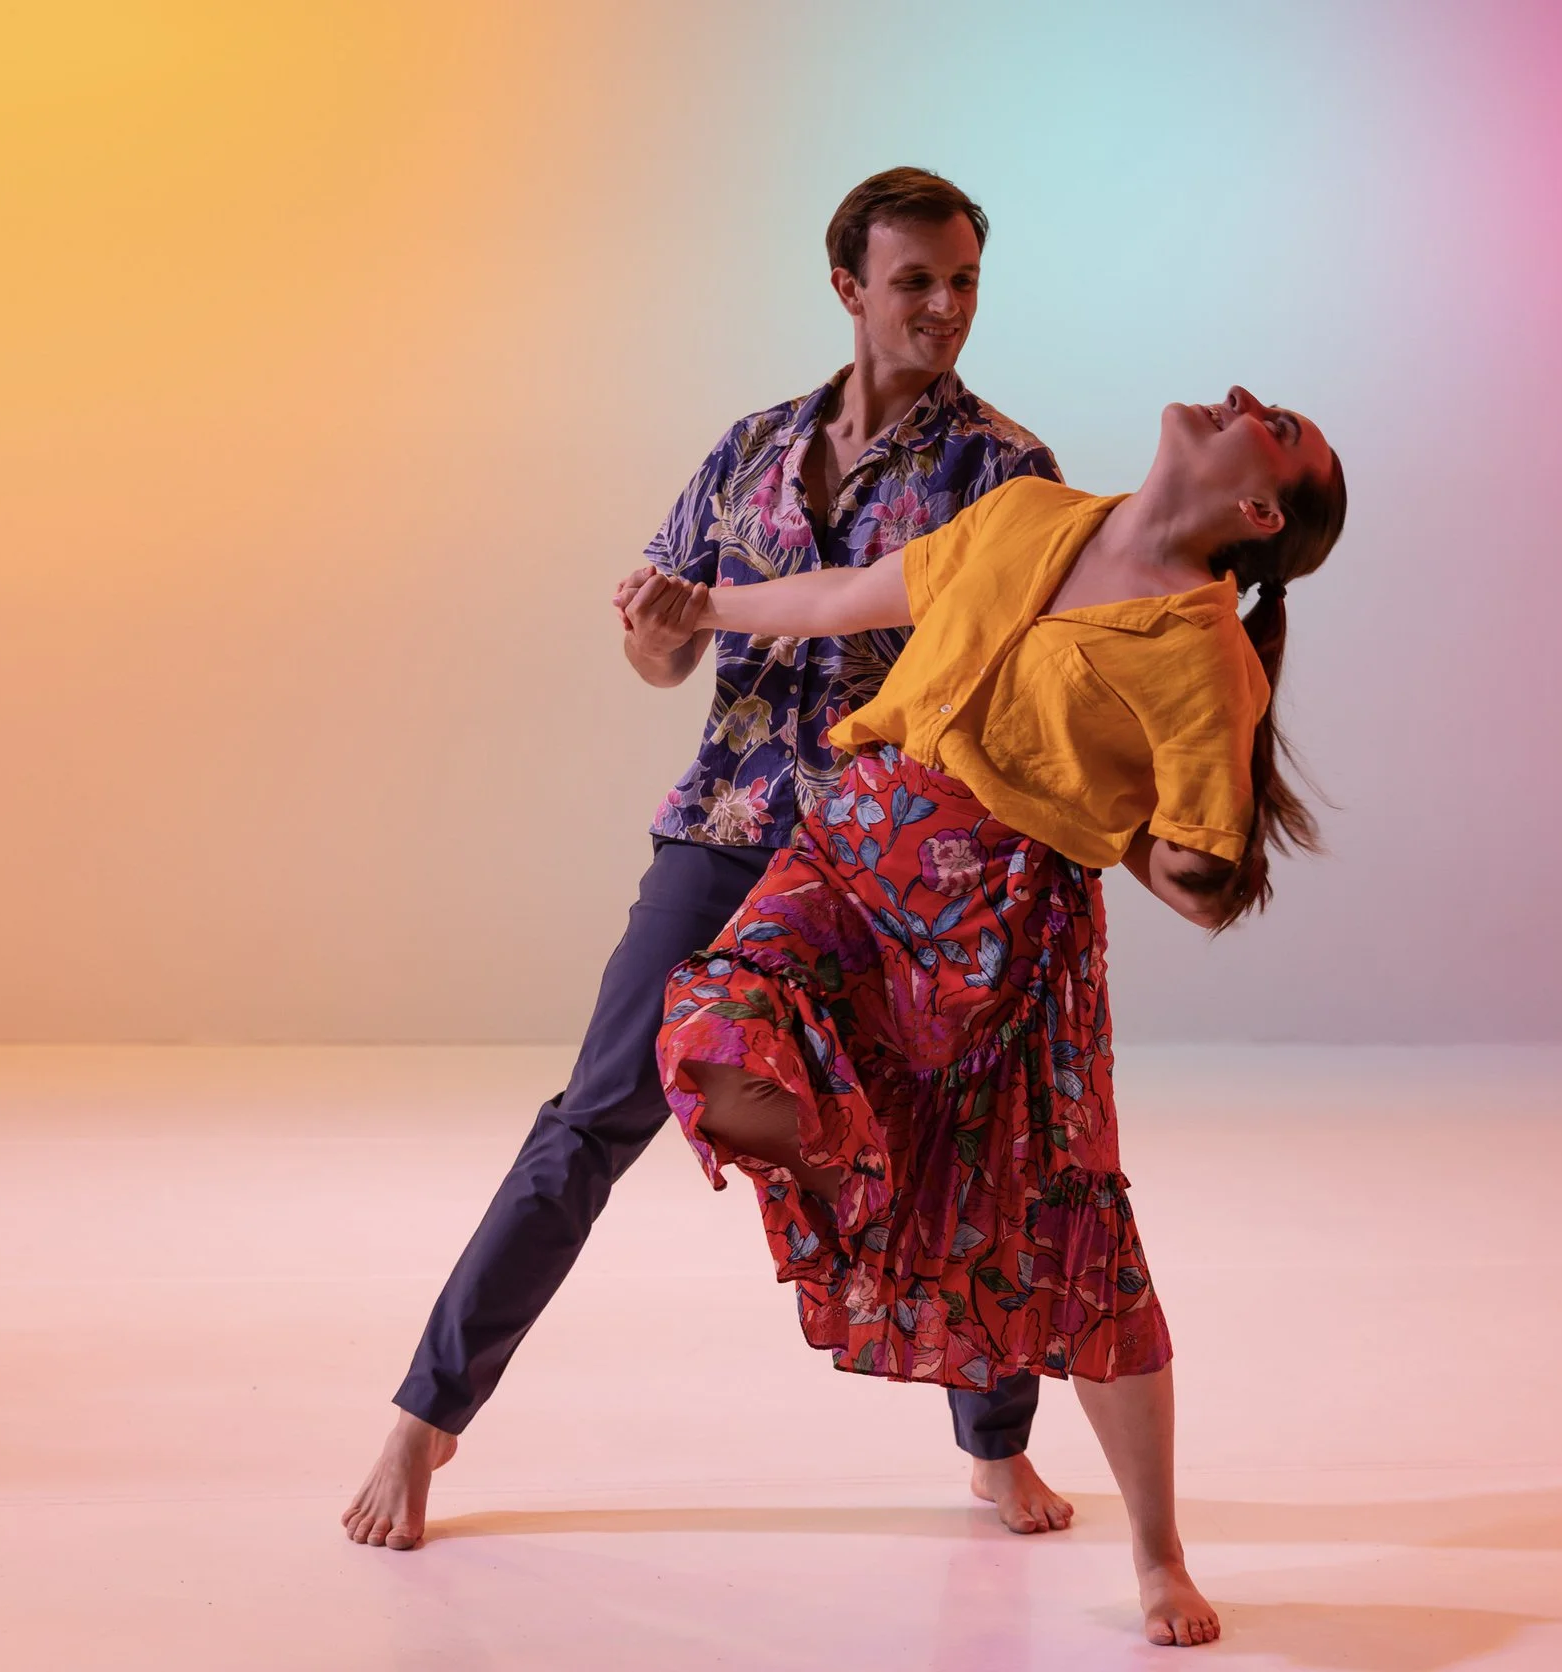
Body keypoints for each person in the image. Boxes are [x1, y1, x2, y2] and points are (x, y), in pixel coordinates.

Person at [343, 168, 1078, 1552]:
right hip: (729, 829)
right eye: (916, 281)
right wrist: (664, 619)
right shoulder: (748, 450)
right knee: (595, 1114)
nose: (946, 308)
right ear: (850, 289)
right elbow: (660, 653)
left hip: (892, 858)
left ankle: (994, 1445)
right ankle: (424, 1424)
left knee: (963, 1136)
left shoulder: (1005, 473)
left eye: (965, 281)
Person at [652, 386, 1345, 1647]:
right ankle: (870, 1185)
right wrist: (703, 605)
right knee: (713, 1028)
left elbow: (1198, 880)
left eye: (1280, 425)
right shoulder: (1025, 512)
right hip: (856, 849)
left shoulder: (1204, 657)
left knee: (1063, 1232)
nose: (1248, 398)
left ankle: (1156, 1554)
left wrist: (1080, 801)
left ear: (1253, 509)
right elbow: (844, 596)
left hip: (1006, 923)